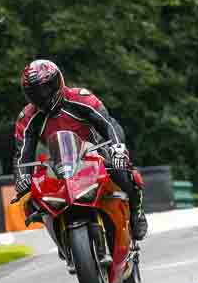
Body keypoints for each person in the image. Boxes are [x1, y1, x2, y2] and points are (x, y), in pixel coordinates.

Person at [13, 59, 148, 241]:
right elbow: (23, 154)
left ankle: (136, 212)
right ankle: (61, 235)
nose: (43, 95)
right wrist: (23, 177)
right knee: (32, 200)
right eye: (35, 93)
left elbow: (108, 124)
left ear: (58, 81)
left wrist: (117, 149)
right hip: (58, 163)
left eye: (47, 88)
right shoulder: (27, 118)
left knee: (120, 169)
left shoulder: (80, 97)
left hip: (93, 152)